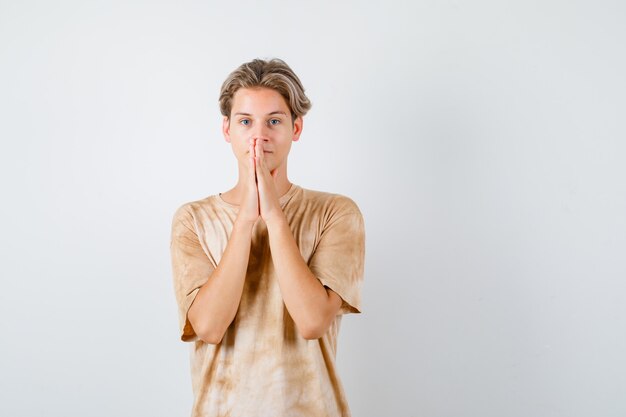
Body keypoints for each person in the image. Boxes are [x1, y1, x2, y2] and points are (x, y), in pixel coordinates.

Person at [169, 57, 366, 417]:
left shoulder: (337, 213)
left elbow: (312, 322)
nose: (259, 136)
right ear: (227, 129)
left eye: (274, 121)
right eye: (246, 121)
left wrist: (274, 216)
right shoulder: (193, 220)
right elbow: (209, 327)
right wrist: (246, 219)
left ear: (296, 128)